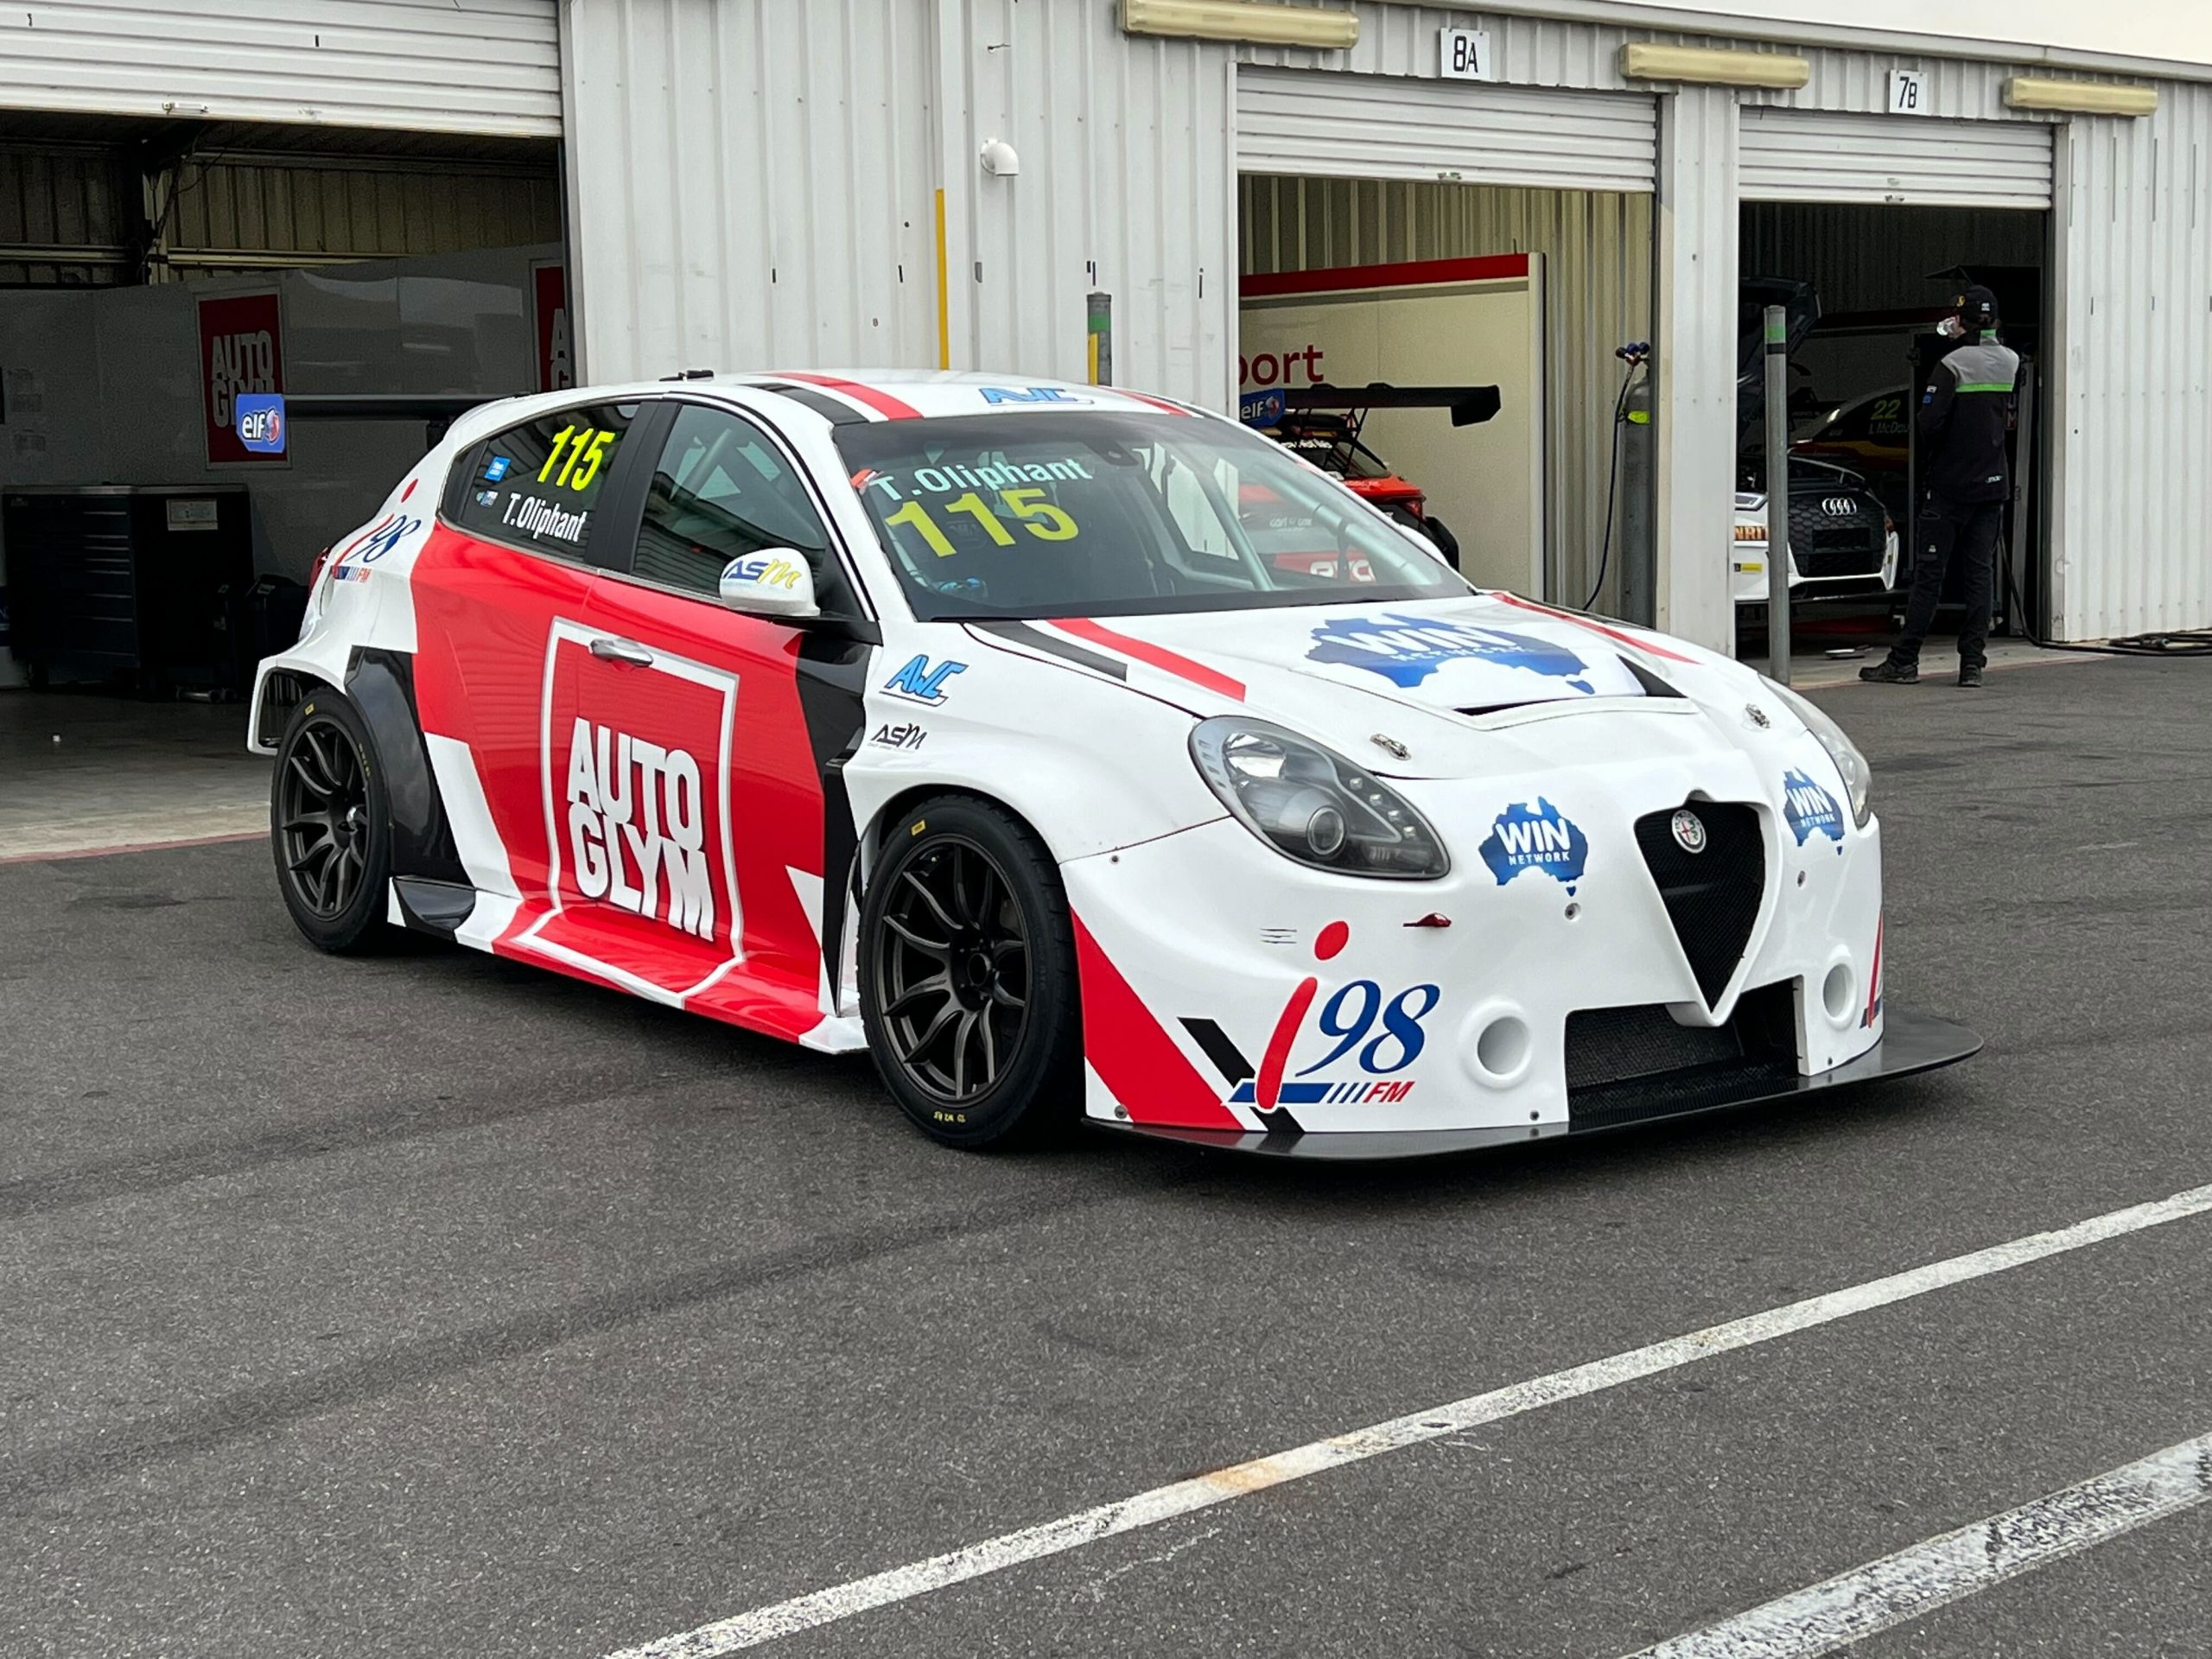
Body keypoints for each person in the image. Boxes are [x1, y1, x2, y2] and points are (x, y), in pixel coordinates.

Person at [1860, 285, 2019, 689]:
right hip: (1992, 485)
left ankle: (1905, 660)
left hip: (1949, 487)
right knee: (1979, 575)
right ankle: (1971, 665)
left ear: (1960, 321)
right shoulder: (2011, 362)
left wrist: (1942, 347)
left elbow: (1928, 422)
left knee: (1930, 575)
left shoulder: (1951, 363)